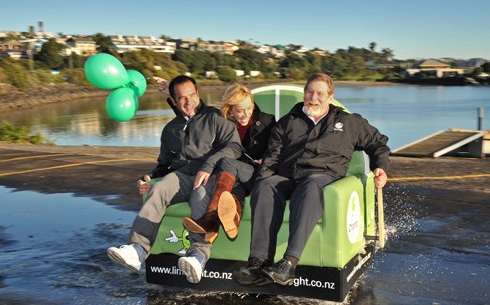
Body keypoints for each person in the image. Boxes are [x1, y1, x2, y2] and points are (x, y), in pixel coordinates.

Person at [233, 73, 391, 286]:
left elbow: (378, 143)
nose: (313, 97)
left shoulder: (348, 122)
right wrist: (260, 181)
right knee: (266, 184)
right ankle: (258, 263)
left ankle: (288, 264)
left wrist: (380, 166)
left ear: (330, 96)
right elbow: (272, 159)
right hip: (288, 176)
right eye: (309, 92)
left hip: (322, 176)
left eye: (319, 93)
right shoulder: (288, 122)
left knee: (310, 187)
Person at [107, 75, 242, 284]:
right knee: (159, 189)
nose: (188, 102)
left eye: (191, 96)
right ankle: (137, 250)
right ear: (174, 100)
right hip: (181, 176)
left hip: (211, 175)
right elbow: (163, 165)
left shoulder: (215, 117)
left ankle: (198, 256)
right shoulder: (170, 129)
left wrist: (208, 165)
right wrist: (148, 178)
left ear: (198, 94)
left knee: (200, 196)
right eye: (181, 98)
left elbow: (234, 147)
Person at [182, 84, 275, 245]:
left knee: (227, 162)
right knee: (231, 195)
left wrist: (266, 158)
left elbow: (278, 148)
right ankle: (229, 220)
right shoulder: (223, 123)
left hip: (258, 173)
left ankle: (210, 219)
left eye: (249, 108)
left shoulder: (267, 121)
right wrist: (171, 98)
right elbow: (194, 115)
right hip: (234, 177)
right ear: (230, 110)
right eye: (240, 111)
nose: (246, 114)